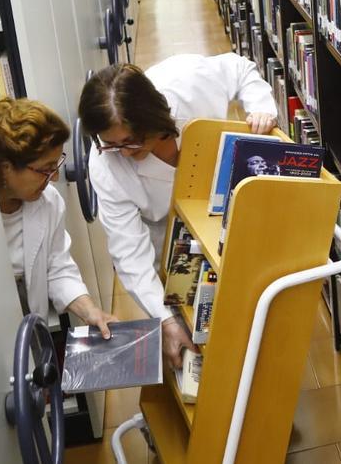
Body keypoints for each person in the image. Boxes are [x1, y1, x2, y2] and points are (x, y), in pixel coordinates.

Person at [78, 53, 278, 368]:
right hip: (165, 238)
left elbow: (240, 69)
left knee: (251, 313)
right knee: (190, 327)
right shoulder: (106, 164)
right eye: (111, 144)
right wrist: (165, 319)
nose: (124, 154)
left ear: (152, 118)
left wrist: (261, 107)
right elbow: (129, 254)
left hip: (222, 208)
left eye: (131, 141)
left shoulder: (186, 81)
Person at [0, 98, 118, 338]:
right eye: (46, 168)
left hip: (30, 324)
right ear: (5, 167)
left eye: (57, 165)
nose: (54, 178)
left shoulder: (49, 201)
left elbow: (57, 266)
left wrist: (90, 311)